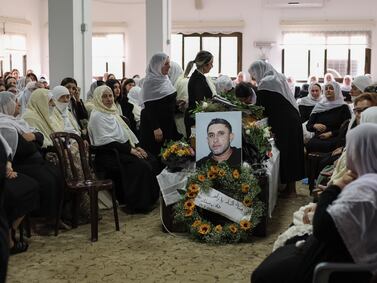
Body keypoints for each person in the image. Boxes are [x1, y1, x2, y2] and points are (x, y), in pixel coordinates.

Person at [252, 123, 377, 283]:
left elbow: (322, 227)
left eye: (351, 148)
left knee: (263, 275)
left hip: (334, 265)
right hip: (336, 252)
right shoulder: (369, 180)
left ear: (361, 151)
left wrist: (336, 187)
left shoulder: (366, 188)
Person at [88, 85, 159, 213]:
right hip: (108, 154)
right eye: (104, 96)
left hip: (121, 149)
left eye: (110, 96)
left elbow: (125, 134)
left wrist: (136, 147)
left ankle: (151, 199)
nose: (109, 99)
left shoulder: (112, 112)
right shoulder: (97, 116)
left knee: (151, 159)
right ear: (98, 98)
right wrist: (130, 150)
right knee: (140, 166)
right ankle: (137, 204)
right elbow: (106, 142)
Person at [248, 60, 305, 196]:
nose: (254, 78)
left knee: (287, 152)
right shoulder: (277, 77)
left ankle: (290, 190)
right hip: (291, 119)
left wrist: (248, 111)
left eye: (254, 75)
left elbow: (261, 107)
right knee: (292, 152)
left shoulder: (266, 82)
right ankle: (291, 188)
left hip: (285, 122)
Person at [139, 52, 182, 159]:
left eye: (169, 63)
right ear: (157, 66)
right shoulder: (149, 82)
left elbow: (164, 101)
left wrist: (177, 104)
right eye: (166, 64)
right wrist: (156, 128)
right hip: (156, 127)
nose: (169, 66)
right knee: (158, 154)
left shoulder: (164, 79)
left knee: (169, 154)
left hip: (168, 122)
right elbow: (149, 108)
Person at [306, 81, 351, 153]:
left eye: (331, 88)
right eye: (326, 89)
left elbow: (346, 127)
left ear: (337, 91)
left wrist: (331, 133)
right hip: (320, 136)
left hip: (336, 137)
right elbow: (308, 126)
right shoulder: (319, 106)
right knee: (310, 144)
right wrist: (314, 125)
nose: (328, 90)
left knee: (328, 146)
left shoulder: (343, 107)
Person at [184, 50, 217, 137]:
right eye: (211, 63)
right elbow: (201, 102)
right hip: (195, 118)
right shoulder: (198, 79)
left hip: (196, 116)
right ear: (204, 65)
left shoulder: (199, 76)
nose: (212, 66)